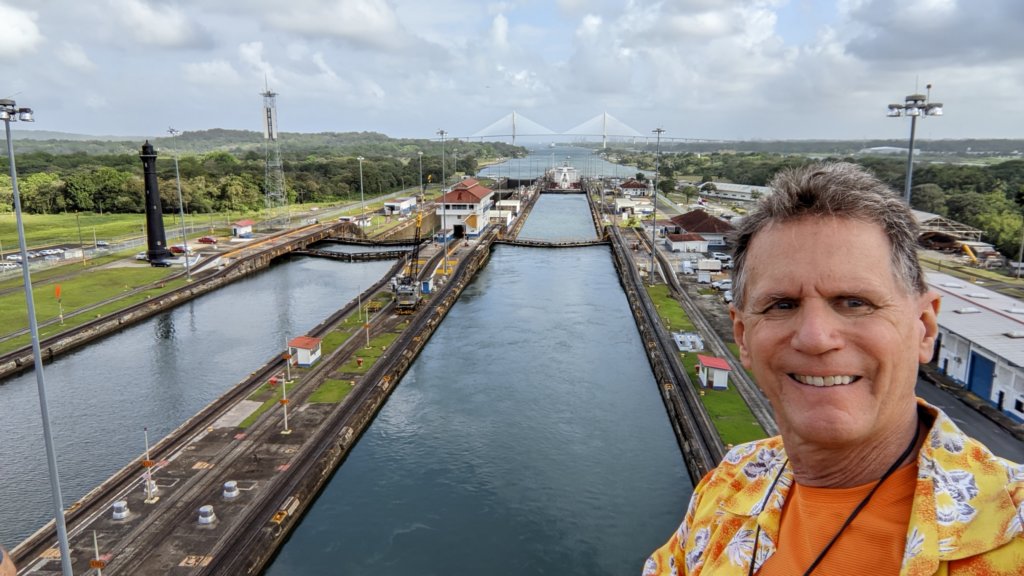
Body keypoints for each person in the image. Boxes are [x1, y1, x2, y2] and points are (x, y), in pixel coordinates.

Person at [644, 162, 1023, 575]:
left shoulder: (1011, 529)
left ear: (924, 327)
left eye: (855, 302)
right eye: (782, 305)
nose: (815, 338)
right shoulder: (730, 483)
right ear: (743, 336)